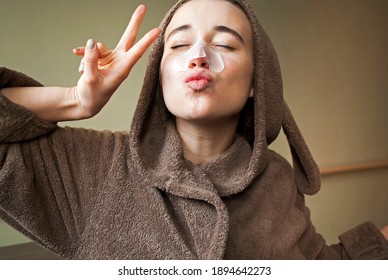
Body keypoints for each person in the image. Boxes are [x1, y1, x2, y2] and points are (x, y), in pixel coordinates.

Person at [0, 0, 387, 259]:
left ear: (257, 82)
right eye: (180, 45)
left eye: (226, 45)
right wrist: (75, 100)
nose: (199, 58)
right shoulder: (92, 167)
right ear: (159, 74)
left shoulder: (277, 182)